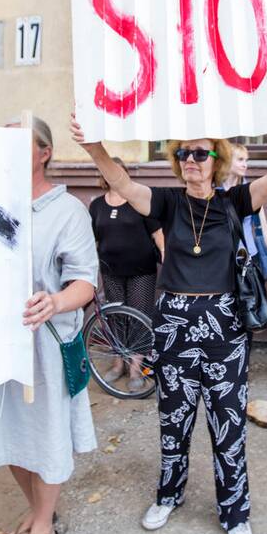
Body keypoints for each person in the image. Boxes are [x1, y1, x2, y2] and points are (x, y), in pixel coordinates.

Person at [72, 103, 267, 534]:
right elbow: (121, 182)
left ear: (218, 159)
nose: (191, 160)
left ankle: (236, 514)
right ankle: (168, 495)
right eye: (185, 154)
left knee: (227, 424)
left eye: (201, 153)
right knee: (174, 419)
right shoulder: (168, 203)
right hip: (173, 324)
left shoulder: (234, 201)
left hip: (225, 329)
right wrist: (93, 145)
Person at [0, 118, 99, 534]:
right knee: (7, 432)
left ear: (44, 152)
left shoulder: (67, 212)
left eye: (17, 140)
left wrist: (55, 301)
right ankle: (34, 508)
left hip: (45, 343)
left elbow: (85, 279)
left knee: (45, 434)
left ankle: (44, 522)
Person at [89, 157, 164, 391]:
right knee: (116, 318)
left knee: (139, 317)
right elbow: (93, 238)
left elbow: (158, 234)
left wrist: (167, 258)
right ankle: (117, 364)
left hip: (141, 270)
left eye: (118, 171)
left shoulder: (139, 200)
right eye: (109, 171)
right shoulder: (97, 205)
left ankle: (135, 369)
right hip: (110, 271)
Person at [224, 143, 267, 280]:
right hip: (220, 259)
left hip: (248, 257)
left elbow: (264, 229)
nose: (245, 164)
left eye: (246, 160)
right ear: (226, 160)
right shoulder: (213, 190)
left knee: (251, 300)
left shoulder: (251, 190)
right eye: (240, 159)